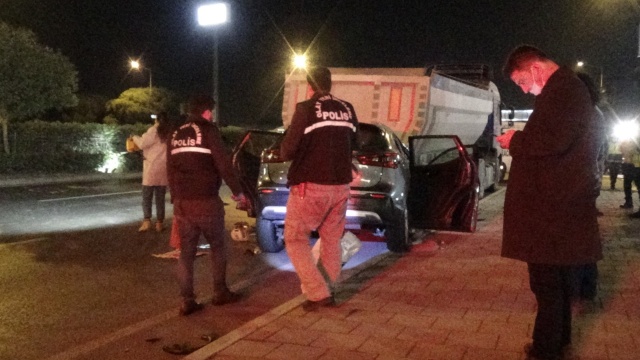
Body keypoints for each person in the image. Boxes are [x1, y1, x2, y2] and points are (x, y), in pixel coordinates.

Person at [497, 45, 602, 360]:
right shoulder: (568, 91)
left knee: (547, 287)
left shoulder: (563, 92)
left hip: (551, 213)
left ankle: (546, 351)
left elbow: (551, 140)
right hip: (559, 209)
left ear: (535, 69)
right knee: (557, 286)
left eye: (522, 83)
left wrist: (514, 139)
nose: (525, 90)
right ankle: (558, 343)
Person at [280, 66, 359, 311]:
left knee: (294, 239)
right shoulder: (347, 109)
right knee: (331, 240)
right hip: (340, 186)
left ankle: (318, 294)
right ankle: (329, 289)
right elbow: (353, 144)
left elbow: (288, 151)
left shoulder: (305, 109)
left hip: (311, 186)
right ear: (330, 84)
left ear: (309, 85)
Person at [167, 94, 247, 316]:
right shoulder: (209, 131)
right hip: (206, 201)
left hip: (183, 203)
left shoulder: (176, 133)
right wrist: (238, 192)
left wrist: (176, 198)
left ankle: (187, 301)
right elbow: (224, 165)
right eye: (211, 111)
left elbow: (170, 168)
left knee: (186, 253)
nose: (211, 115)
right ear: (206, 111)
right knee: (218, 247)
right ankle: (220, 292)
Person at [132, 112, 172, 232]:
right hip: (163, 169)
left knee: (147, 197)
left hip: (151, 168)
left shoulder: (153, 130)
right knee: (160, 198)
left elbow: (142, 143)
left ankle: (147, 221)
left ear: (157, 120)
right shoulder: (169, 132)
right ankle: (159, 223)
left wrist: (134, 137)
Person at [618, 136, 640, 210]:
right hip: (628, 164)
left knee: (638, 186)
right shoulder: (627, 140)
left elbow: (632, 151)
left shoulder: (636, 141)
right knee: (627, 185)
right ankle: (628, 202)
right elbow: (621, 149)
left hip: (637, 166)